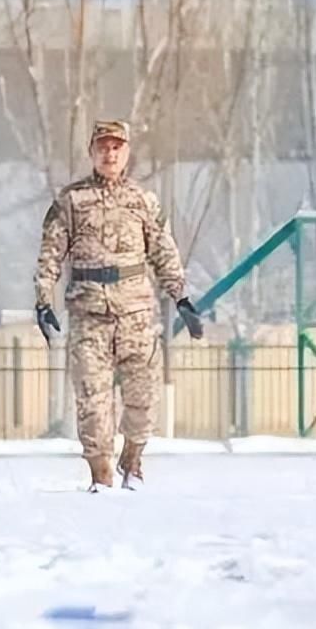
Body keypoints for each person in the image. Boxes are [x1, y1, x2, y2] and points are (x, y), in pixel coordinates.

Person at [33, 119, 204, 491]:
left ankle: (133, 461)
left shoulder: (143, 201)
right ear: (92, 152)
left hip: (137, 316)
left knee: (142, 401)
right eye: (103, 147)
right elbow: (50, 254)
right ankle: (101, 476)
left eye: (116, 148)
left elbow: (163, 251)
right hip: (89, 315)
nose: (109, 154)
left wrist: (182, 299)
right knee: (93, 403)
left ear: (126, 153)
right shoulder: (71, 201)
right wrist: (43, 300)